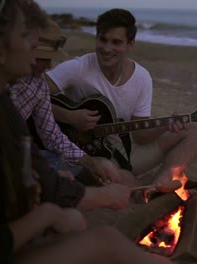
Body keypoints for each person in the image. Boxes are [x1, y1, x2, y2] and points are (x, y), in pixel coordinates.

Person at [0, 1, 172, 263]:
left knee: (71, 218)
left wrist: (89, 163)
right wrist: (98, 197)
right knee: (106, 239)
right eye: (27, 38)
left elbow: (47, 142)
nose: (39, 54)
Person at [45, 8, 197, 192]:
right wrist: (68, 116)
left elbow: (140, 136)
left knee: (196, 130)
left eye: (116, 42)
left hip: (124, 149)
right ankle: (139, 186)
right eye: (102, 40)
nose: (106, 48)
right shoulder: (78, 67)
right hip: (86, 154)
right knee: (121, 178)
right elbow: (31, 94)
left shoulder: (142, 78)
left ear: (130, 44)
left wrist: (166, 125)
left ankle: (156, 188)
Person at [9, 18, 134, 211]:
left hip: (25, 154)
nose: (49, 65)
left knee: (104, 173)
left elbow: (52, 136)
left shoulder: (39, 85)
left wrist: (92, 162)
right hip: (4, 159)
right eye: (43, 57)